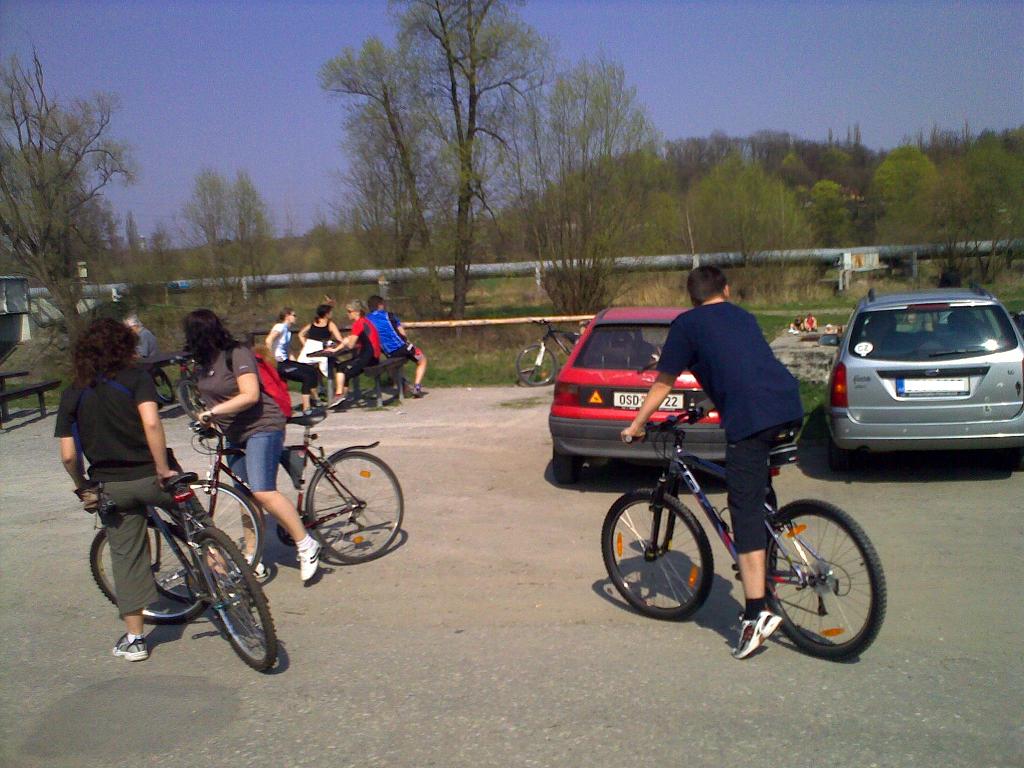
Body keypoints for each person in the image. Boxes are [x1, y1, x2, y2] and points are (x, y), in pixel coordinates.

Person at [621, 266, 803, 660]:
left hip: (752, 420)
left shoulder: (687, 325)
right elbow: (742, 370)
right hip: (789, 407)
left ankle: (755, 614)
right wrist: (704, 407)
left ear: (692, 298)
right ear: (727, 289)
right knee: (757, 492)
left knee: (744, 512)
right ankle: (769, 561)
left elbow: (663, 382)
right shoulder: (743, 317)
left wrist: (637, 424)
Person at [55, 318, 179, 662]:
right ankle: (226, 574)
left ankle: (135, 639)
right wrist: (163, 468)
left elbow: (68, 456)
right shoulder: (138, 378)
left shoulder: (73, 392)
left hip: (112, 486)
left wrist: (83, 486)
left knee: (126, 558)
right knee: (196, 522)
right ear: (124, 345)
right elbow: (151, 422)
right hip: (152, 475)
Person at [184, 309, 320, 581]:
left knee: (263, 491)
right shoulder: (202, 365)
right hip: (235, 433)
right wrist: (208, 421)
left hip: (262, 426)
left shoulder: (236, 353)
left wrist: (213, 412)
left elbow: (250, 394)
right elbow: (212, 401)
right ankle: (253, 555)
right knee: (245, 497)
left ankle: (306, 544)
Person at [366, 295, 427, 398]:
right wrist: (407, 341)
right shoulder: (389, 315)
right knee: (422, 360)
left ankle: (403, 386)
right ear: (380, 305)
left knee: (393, 365)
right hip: (402, 347)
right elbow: (402, 333)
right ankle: (416, 387)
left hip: (388, 351)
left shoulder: (367, 320)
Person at [265, 307, 321, 412]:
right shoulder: (280, 326)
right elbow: (269, 340)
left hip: (286, 362)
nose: (296, 318)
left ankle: (314, 399)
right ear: (287, 316)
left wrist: (297, 363)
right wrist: (271, 358)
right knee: (306, 377)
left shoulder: (287, 331)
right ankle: (306, 407)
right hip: (279, 363)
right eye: (294, 315)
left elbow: (288, 350)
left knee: (311, 370)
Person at [330, 299, 381, 409]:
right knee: (342, 367)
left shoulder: (358, 324)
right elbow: (361, 341)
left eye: (349, 311)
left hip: (369, 358)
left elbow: (351, 345)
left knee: (344, 370)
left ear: (357, 312)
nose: (347, 314)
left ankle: (339, 396)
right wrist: (342, 345)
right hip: (373, 357)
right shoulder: (365, 321)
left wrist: (345, 342)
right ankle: (340, 398)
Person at [298, 304, 347, 408]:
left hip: (311, 350)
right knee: (330, 368)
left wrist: (306, 345)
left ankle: (317, 396)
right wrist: (341, 344)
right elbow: (339, 339)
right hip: (320, 349)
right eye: (330, 312)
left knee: (311, 372)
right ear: (326, 314)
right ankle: (331, 393)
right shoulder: (330, 324)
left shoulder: (313, 323)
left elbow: (301, 334)